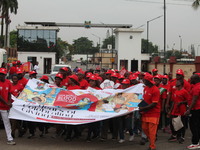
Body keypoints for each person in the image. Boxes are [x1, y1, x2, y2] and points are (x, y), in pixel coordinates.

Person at [139, 74, 160, 150]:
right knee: (144, 128)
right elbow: (144, 100)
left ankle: (152, 146)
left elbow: (154, 104)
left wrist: (142, 108)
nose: (143, 81)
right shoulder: (146, 88)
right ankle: (152, 139)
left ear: (148, 81)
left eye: (144, 80)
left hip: (154, 113)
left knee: (152, 131)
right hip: (145, 113)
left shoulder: (155, 90)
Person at [167, 79, 189, 144]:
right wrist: (170, 111)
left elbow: (188, 100)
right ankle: (175, 135)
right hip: (175, 110)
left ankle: (182, 137)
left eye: (178, 82)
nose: (176, 83)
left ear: (181, 84)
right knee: (174, 123)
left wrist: (182, 102)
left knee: (182, 124)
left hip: (182, 110)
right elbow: (173, 101)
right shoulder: (175, 91)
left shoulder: (184, 91)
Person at [0, 68, 16, 145]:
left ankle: (9, 139)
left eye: (3, 74)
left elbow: (9, 93)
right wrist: (6, 102)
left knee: (6, 122)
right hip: (3, 105)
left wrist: (9, 101)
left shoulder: (8, 82)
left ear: (5, 75)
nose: (1, 76)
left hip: (3, 107)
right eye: (0, 74)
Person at [185, 74, 200, 149]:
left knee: (193, 126)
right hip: (197, 109)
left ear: (195, 79)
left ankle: (195, 142)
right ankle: (197, 141)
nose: (190, 80)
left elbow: (194, 100)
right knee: (197, 126)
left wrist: (189, 109)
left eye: (192, 79)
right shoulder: (196, 86)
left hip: (196, 109)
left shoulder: (197, 88)